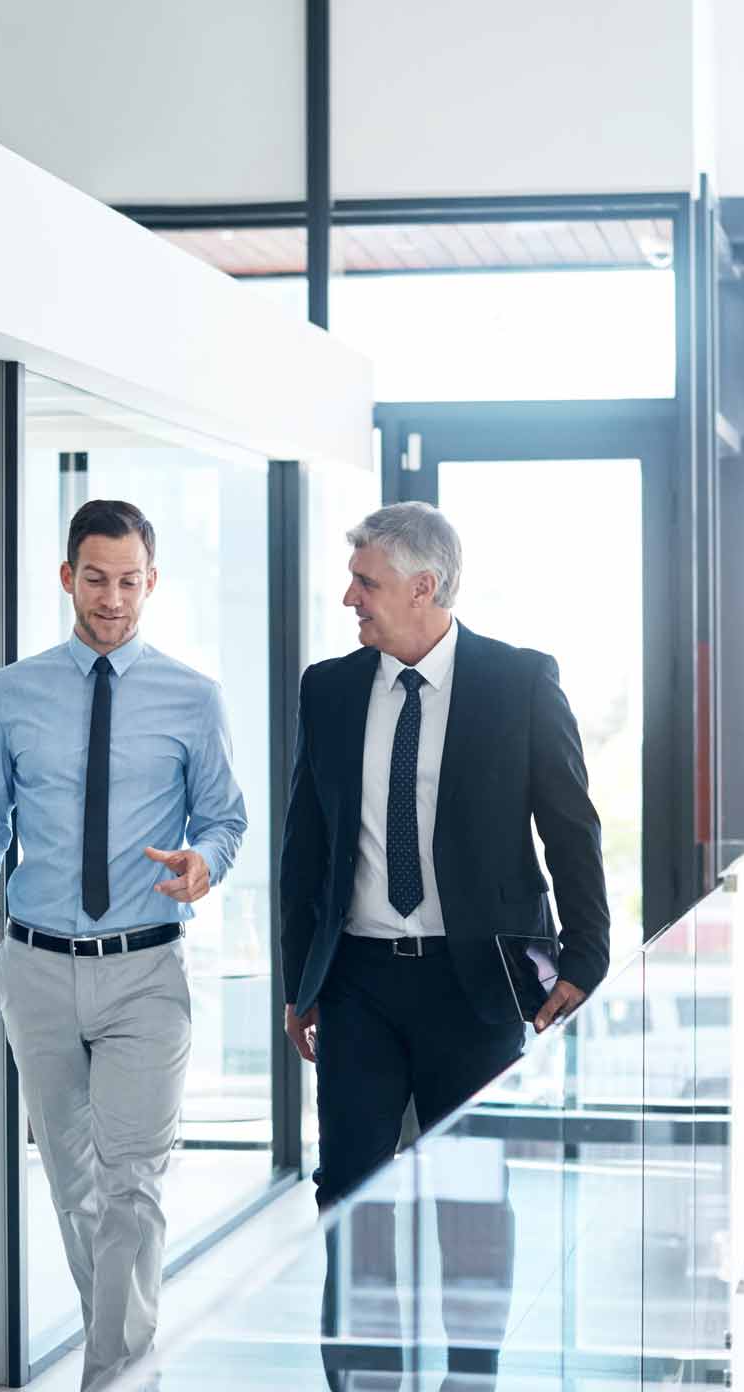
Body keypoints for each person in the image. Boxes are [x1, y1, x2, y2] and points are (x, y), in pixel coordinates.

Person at [280, 502, 610, 1388]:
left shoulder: (520, 681)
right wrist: (296, 981)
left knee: (469, 1200)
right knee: (351, 1194)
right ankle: (361, 1375)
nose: (350, 598)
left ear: (424, 587)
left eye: (367, 583)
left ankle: (472, 1374)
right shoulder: (330, 687)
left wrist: (586, 955)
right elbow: (304, 844)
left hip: (477, 988)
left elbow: (571, 826)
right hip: (356, 982)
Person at [0, 498, 246, 1391]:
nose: (114, 599)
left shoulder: (193, 696)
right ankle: (117, 1354)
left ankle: (114, 1375)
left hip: (146, 967)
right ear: (68, 577)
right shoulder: (13, 692)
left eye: (131, 581)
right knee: (77, 1187)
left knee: (135, 1186)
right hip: (32, 968)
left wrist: (204, 864)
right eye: (97, 579)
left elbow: (225, 816)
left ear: (154, 583)